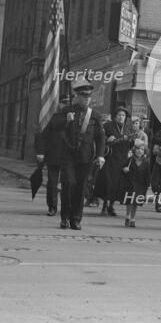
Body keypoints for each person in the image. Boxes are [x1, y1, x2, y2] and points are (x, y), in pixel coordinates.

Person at [48, 79, 105, 230]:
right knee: (68, 185)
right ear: (77, 96)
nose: (86, 98)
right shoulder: (66, 111)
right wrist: (66, 122)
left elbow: (100, 137)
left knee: (80, 188)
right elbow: (54, 127)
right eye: (83, 96)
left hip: (86, 158)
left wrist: (100, 155)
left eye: (88, 96)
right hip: (68, 156)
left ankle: (76, 219)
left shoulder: (95, 116)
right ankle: (64, 217)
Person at [36, 93, 71, 217]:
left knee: (69, 183)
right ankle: (52, 206)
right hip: (54, 155)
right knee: (52, 183)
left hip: (70, 157)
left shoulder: (77, 118)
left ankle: (67, 207)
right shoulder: (55, 118)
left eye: (66, 103)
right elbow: (43, 135)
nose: (64, 105)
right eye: (62, 103)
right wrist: (40, 152)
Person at [96, 106, 134, 216]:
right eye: (119, 115)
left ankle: (111, 206)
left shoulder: (128, 128)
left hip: (122, 159)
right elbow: (100, 138)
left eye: (123, 115)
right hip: (110, 158)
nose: (121, 117)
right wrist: (107, 139)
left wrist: (131, 141)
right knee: (107, 181)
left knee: (117, 184)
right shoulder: (107, 125)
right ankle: (104, 205)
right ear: (115, 116)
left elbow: (130, 144)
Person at [122, 139, 150, 228]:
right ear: (134, 150)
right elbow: (123, 168)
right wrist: (124, 170)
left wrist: (147, 185)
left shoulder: (146, 162)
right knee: (130, 201)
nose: (139, 151)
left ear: (144, 151)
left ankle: (133, 218)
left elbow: (148, 174)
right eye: (138, 149)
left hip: (140, 184)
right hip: (130, 183)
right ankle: (127, 216)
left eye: (142, 149)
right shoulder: (130, 160)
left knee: (136, 203)